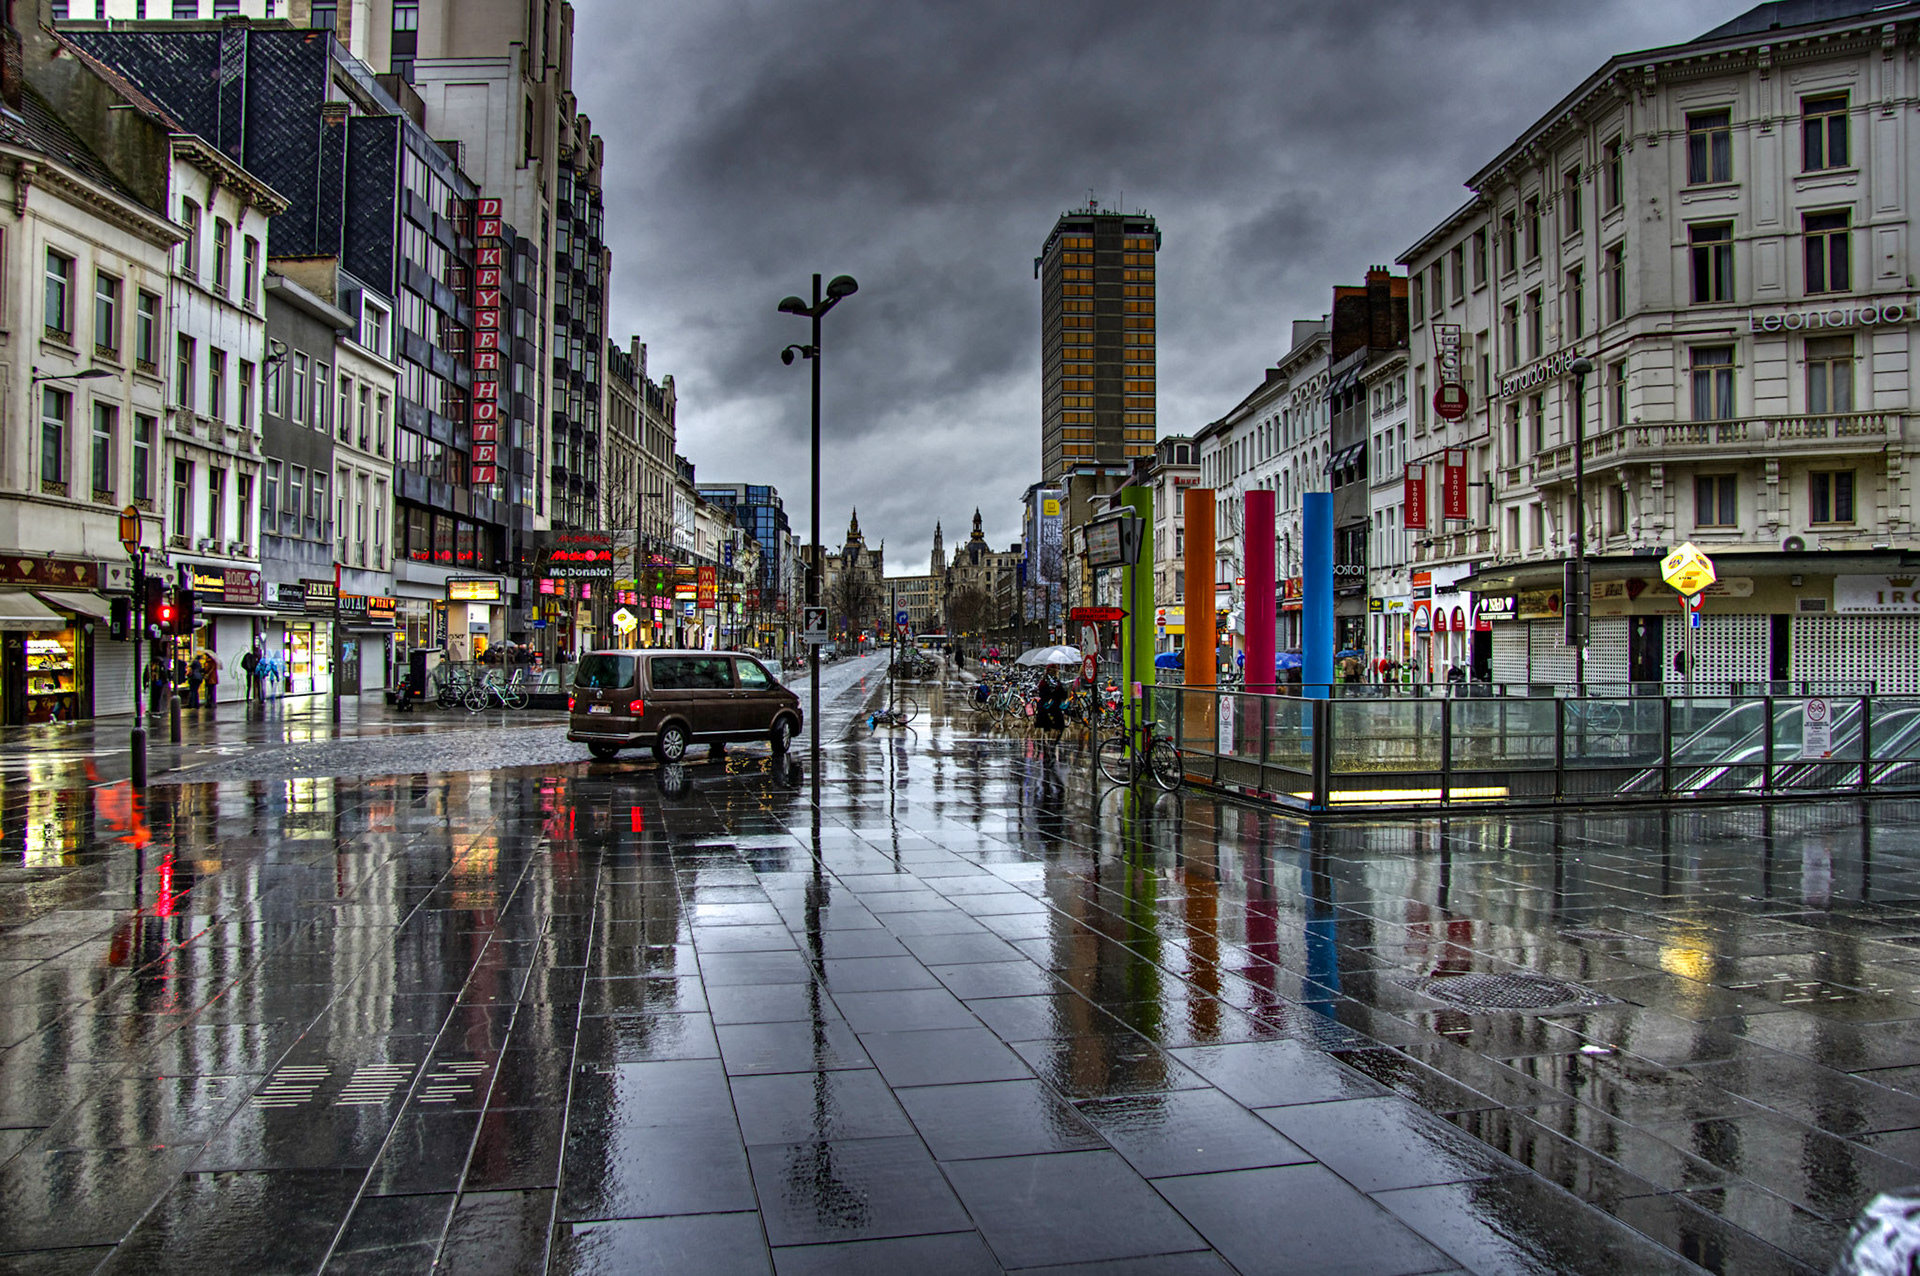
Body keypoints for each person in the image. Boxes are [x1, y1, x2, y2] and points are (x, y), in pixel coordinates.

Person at [1036, 667, 1067, 736]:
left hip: (1045, 705)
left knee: (1044, 722)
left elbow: (1040, 691)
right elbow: (1062, 693)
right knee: (1059, 723)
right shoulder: (1057, 682)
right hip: (1055, 705)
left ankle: (1046, 734)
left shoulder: (1043, 681)